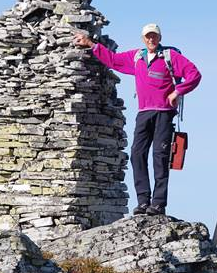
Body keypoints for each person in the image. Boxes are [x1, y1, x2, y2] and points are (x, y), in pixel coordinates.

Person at [73, 24, 202, 215]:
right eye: (148, 37)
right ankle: (143, 202)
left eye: (154, 36)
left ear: (159, 38)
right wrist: (91, 44)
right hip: (144, 113)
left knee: (160, 157)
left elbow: (194, 74)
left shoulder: (170, 56)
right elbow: (114, 61)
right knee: (137, 154)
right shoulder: (137, 57)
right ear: (143, 38)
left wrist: (177, 92)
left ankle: (158, 204)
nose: (151, 40)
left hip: (164, 113)